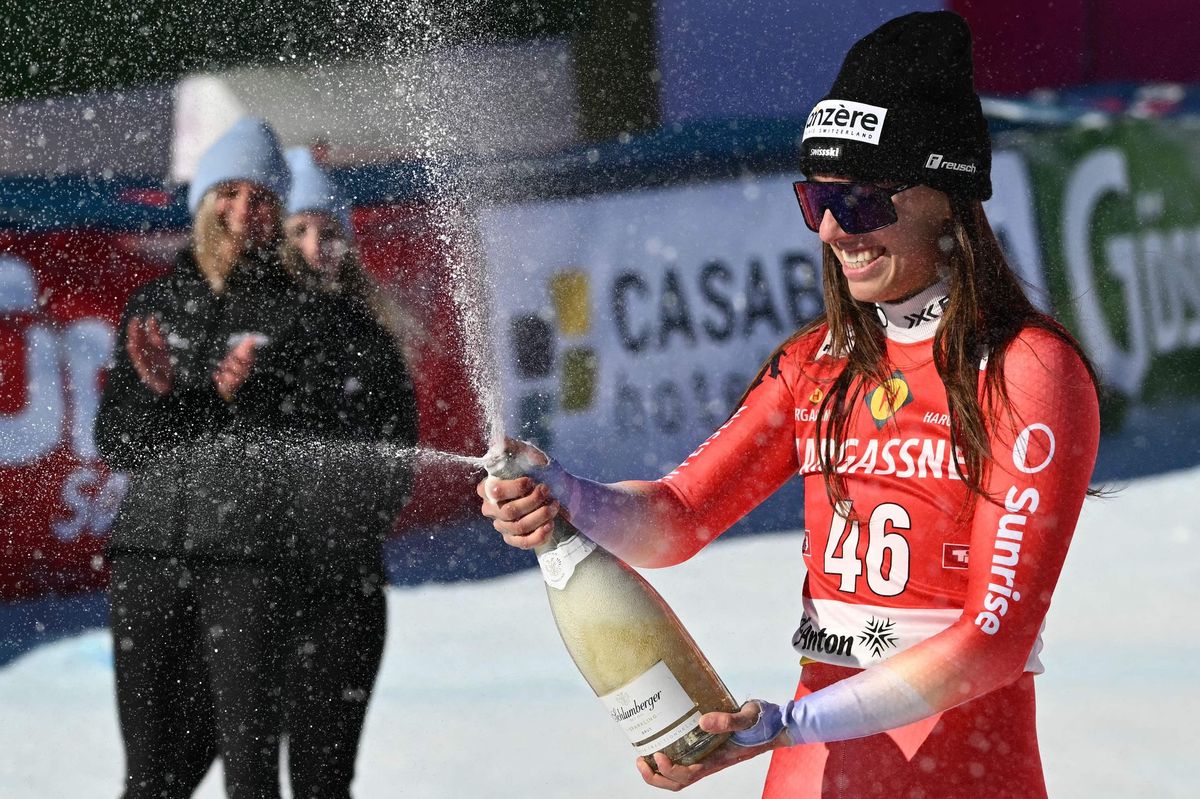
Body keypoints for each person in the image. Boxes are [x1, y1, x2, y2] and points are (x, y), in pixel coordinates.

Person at [478, 11, 1100, 799]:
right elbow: (677, 517)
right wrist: (567, 495)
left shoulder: (1028, 370)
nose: (837, 228)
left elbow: (994, 640)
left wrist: (797, 723)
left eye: (865, 201)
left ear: (945, 197)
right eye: (818, 199)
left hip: (962, 770)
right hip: (817, 769)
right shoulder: (817, 364)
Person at [97, 117, 351, 798]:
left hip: (252, 563)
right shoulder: (153, 303)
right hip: (148, 556)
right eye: (229, 192)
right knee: (151, 775)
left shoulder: (303, 313)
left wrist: (241, 396)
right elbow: (118, 442)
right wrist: (168, 395)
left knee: (249, 771)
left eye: (261, 197)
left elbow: (317, 446)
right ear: (204, 199)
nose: (243, 210)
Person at [275, 145, 419, 798]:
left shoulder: (372, 337)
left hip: (347, 585)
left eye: (329, 231)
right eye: (298, 230)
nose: (315, 246)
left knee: (325, 773)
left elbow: (399, 451)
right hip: (258, 586)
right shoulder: (253, 327)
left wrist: (345, 525)